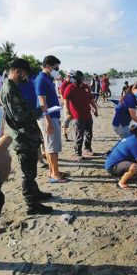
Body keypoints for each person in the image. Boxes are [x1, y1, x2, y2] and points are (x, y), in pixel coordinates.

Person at [0, 58, 54, 214]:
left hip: (27, 136)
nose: (27, 78)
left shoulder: (12, 87)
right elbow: (20, 117)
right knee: (27, 172)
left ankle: (34, 192)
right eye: (25, 74)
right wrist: (39, 110)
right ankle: (31, 203)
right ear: (18, 72)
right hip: (23, 138)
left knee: (31, 170)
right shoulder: (10, 89)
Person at [36, 55, 69, 183]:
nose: (58, 70)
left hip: (52, 116)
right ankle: (54, 174)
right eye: (56, 67)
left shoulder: (47, 79)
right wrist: (48, 121)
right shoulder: (41, 80)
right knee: (51, 147)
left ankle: (53, 171)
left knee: (52, 145)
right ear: (49, 66)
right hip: (47, 118)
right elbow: (42, 102)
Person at [63, 71, 99, 160]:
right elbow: (66, 100)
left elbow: (91, 99)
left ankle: (87, 149)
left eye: (78, 78)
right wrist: (68, 111)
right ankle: (77, 153)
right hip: (77, 115)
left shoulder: (86, 87)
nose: (76, 80)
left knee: (89, 133)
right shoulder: (70, 88)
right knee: (79, 135)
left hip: (88, 114)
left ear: (82, 78)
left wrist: (95, 108)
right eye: (74, 78)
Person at [105, 125, 137, 189]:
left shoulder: (131, 136)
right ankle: (121, 182)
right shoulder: (134, 143)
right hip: (112, 167)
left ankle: (127, 173)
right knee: (134, 166)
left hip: (112, 162)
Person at [59, 72, 73, 141]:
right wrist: (63, 102)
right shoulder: (64, 83)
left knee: (71, 117)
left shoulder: (71, 83)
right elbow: (61, 93)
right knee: (67, 117)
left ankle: (65, 130)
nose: (69, 77)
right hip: (66, 102)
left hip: (72, 102)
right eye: (69, 76)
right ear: (66, 75)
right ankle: (64, 133)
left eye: (70, 76)